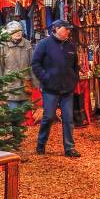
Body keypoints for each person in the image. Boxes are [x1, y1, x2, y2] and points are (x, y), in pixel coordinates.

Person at [30, 20, 80, 157]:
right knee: (48, 117)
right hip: (50, 89)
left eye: (70, 30)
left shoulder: (71, 46)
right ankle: (41, 144)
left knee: (68, 118)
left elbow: (76, 66)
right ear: (56, 29)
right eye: (66, 29)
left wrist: (74, 79)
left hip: (67, 89)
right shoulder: (44, 44)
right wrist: (46, 78)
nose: (69, 32)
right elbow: (35, 64)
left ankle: (69, 148)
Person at [0, 20, 33, 114]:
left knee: (24, 116)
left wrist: (36, 83)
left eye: (20, 30)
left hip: (25, 85)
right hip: (10, 86)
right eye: (15, 31)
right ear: (9, 33)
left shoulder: (27, 44)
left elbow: (32, 64)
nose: (18, 33)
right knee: (13, 115)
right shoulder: (3, 45)